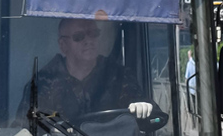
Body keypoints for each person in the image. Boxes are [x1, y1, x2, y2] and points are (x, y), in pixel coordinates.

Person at [17, 16, 152, 125]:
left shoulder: (118, 76)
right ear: (63, 45)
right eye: (79, 36)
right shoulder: (42, 84)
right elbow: (24, 128)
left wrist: (143, 108)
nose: (88, 41)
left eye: (93, 34)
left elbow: (153, 117)